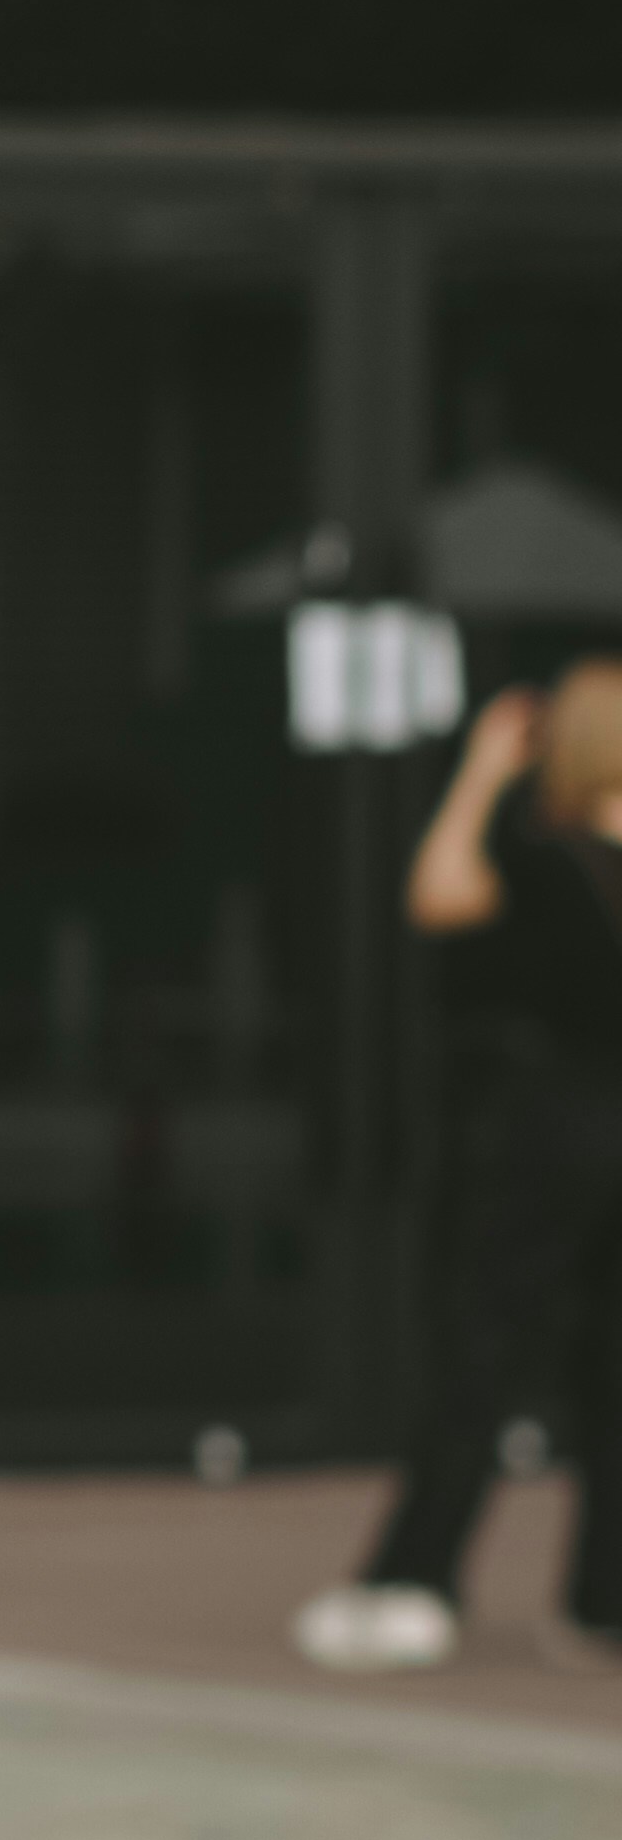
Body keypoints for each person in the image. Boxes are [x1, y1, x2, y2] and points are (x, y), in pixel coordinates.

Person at [296, 662, 622, 1676]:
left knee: (511, 1349)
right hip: (560, 1124)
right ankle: (456, 1579)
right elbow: (441, 900)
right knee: (513, 1349)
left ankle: (432, 1578)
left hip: (557, 1124)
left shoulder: (543, 853)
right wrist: (483, 779)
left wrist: (482, 771)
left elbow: (435, 895)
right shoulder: (544, 857)